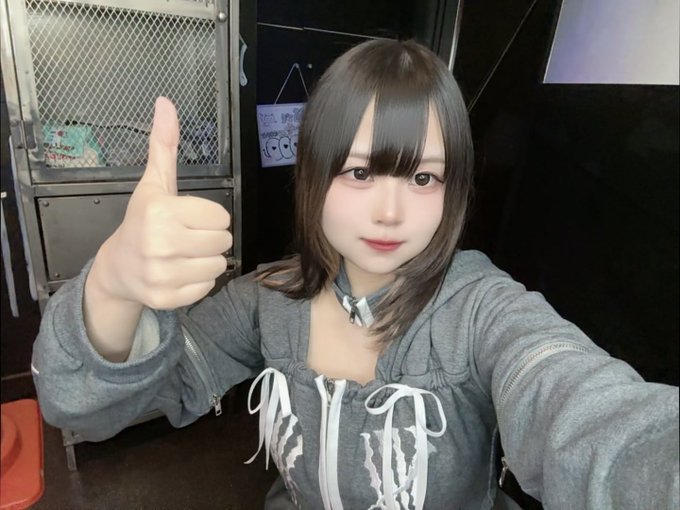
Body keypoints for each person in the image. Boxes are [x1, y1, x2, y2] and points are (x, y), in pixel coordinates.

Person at [32, 39, 678, 509]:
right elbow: (81, 408)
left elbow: (598, 426)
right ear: (313, 174)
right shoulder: (266, 300)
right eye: (361, 172)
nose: (391, 211)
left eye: (423, 177)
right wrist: (112, 286)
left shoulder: (482, 310)